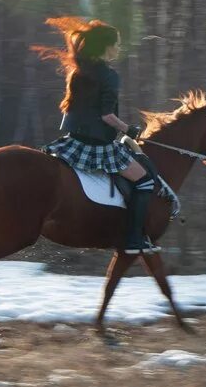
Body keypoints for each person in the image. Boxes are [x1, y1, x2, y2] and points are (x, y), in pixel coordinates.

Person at [33, 16, 160, 254]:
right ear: (106, 47)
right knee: (145, 181)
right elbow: (106, 116)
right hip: (97, 146)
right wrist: (128, 129)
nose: (119, 49)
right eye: (117, 44)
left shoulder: (78, 71)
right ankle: (134, 240)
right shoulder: (109, 76)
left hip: (73, 141)